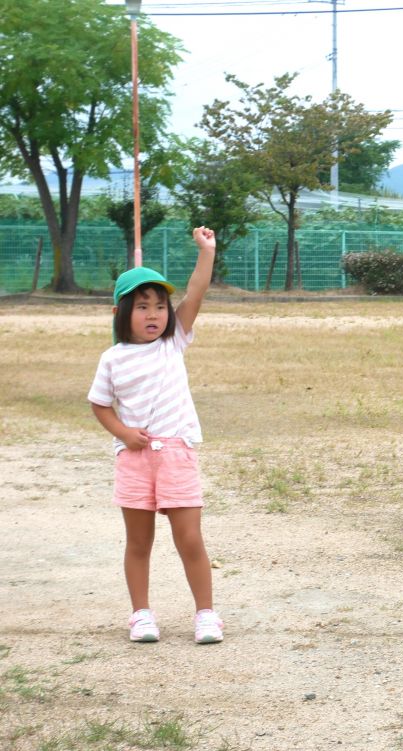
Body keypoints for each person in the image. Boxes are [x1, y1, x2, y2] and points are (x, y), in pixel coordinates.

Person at [88, 227, 224, 645]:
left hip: (177, 454)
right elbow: (99, 404)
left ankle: (206, 615)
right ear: (120, 312)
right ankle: (141, 615)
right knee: (138, 543)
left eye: (160, 306)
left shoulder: (174, 342)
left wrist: (207, 252)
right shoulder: (112, 359)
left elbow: (196, 291)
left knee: (189, 539)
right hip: (134, 461)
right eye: (143, 306)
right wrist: (124, 434)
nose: (154, 314)